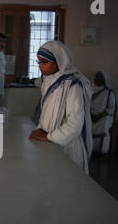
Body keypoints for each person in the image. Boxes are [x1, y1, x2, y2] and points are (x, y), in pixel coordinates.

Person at [29, 41, 93, 174]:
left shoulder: (73, 85)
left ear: (59, 60)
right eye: (39, 62)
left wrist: (50, 137)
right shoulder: (49, 81)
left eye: (44, 62)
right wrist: (40, 130)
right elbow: (46, 111)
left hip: (67, 145)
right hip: (49, 140)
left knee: (67, 183)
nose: (40, 66)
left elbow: (75, 124)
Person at [90, 71, 117, 155]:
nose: (95, 79)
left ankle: (103, 152)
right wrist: (91, 115)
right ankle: (90, 150)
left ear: (103, 80)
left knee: (104, 126)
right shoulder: (90, 89)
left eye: (98, 78)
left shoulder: (109, 92)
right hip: (91, 115)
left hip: (103, 116)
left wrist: (98, 116)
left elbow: (111, 108)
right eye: (95, 77)